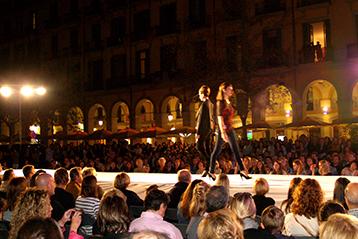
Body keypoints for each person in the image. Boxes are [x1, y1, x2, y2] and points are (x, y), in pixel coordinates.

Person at [209, 82, 251, 180]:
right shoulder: (220, 102)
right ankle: (210, 171)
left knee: (235, 149)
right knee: (217, 151)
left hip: (230, 128)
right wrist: (223, 132)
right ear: (224, 90)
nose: (232, 90)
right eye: (230, 89)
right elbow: (219, 118)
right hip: (223, 129)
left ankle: (242, 170)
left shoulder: (229, 101)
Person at [195, 85, 214, 178]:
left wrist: (198, 133)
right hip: (209, 129)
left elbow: (201, 120)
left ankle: (209, 162)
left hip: (204, 130)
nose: (199, 96)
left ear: (202, 94)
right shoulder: (210, 103)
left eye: (199, 94)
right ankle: (209, 168)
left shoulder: (204, 104)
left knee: (199, 147)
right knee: (208, 148)